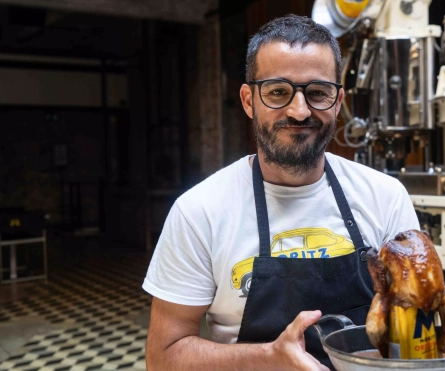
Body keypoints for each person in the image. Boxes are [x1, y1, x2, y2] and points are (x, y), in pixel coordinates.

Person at [142, 14, 419, 371]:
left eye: (317, 92)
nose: (299, 111)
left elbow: (418, 320)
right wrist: (267, 358)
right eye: (277, 92)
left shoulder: (384, 196)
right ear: (248, 100)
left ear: (337, 102)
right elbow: (162, 357)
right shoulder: (199, 211)